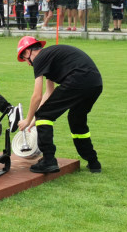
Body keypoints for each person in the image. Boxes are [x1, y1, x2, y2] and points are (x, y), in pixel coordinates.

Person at [15, 36, 103, 174]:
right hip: (95, 83)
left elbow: (37, 96)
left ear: (27, 52)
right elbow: (48, 92)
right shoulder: (50, 57)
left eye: (25, 59)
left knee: (44, 115)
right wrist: (33, 120)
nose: (28, 64)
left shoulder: (39, 58)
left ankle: (48, 161)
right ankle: (93, 162)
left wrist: (28, 118)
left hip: (78, 80)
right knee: (76, 119)